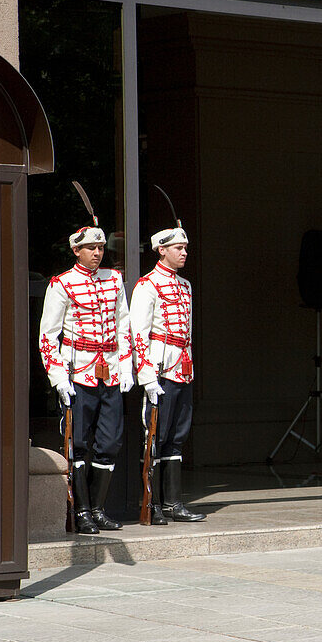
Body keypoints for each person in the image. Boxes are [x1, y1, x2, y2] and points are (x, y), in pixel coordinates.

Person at [38, 222, 134, 534]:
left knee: (110, 443)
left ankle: (97, 508)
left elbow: (124, 324)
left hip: (109, 373)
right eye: (91, 248)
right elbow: (48, 336)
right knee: (77, 444)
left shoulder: (114, 280)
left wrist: (127, 366)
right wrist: (58, 377)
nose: (97, 253)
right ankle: (80, 511)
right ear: (76, 250)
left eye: (101, 248)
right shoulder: (62, 284)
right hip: (77, 372)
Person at [130, 225, 205, 523]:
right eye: (178, 248)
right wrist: (147, 377)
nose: (184, 253)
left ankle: (174, 503)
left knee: (177, 436)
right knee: (155, 436)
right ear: (162, 250)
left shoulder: (185, 286)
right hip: (160, 370)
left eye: (185, 248)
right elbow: (139, 333)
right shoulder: (147, 285)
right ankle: (153, 504)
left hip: (182, 368)